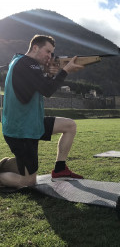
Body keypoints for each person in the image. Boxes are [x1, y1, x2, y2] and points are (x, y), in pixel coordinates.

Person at [0, 35, 85, 189]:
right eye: (47, 51)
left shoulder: (23, 62)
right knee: (28, 182)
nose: (50, 56)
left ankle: (60, 169)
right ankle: (5, 170)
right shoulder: (27, 64)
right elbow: (47, 90)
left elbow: (40, 85)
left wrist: (51, 74)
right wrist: (65, 71)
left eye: (52, 53)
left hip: (32, 122)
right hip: (21, 130)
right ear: (35, 47)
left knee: (69, 126)